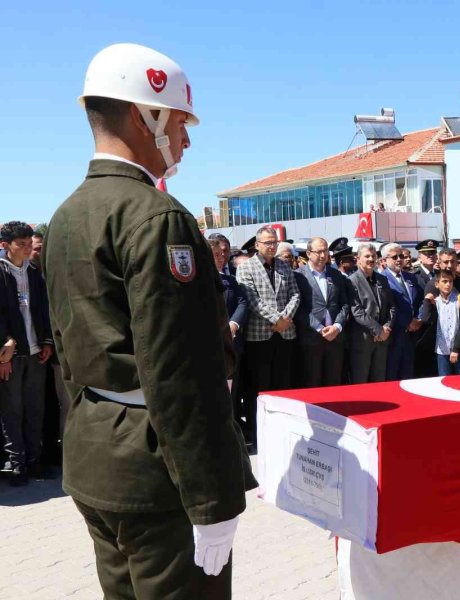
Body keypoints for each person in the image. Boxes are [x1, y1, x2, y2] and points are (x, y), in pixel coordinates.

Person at [43, 43, 255, 598]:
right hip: (161, 476)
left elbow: (69, 354)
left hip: (97, 457)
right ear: (147, 117)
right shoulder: (156, 216)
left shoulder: (66, 215)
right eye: (182, 122)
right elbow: (183, 373)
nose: (187, 138)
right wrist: (211, 499)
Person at [0, 222, 54, 486]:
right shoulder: (1, 273)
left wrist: (46, 341)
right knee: (12, 411)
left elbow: (43, 309)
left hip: (36, 353)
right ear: (4, 246)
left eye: (26, 243)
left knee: (35, 410)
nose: (25, 248)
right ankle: (17, 465)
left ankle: (34, 462)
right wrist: (4, 348)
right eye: (19, 244)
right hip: (10, 356)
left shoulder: (33, 272)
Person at [236, 225, 300, 445]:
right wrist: (276, 319)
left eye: (274, 242)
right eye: (267, 242)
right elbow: (252, 300)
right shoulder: (246, 268)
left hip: (284, 335)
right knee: (259, 388)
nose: (272, 246)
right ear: (257, 245)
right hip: (259, 336)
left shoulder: (284, 265)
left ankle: (281, 431)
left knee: (282, 386)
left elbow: (295, 294)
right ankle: (258, 433)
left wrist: (285, 318)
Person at [294, 237, 350, 389]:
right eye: (318, 251)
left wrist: (337, 326)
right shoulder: (298, 276)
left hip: (335, 339)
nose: (322, 255)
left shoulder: (336, 275)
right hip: (311, 338)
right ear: (308, 253)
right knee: (313, 383)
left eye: (325, 251)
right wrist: (319, 328)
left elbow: (344, 304)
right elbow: (299, 308)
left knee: (334, 383)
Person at [210, 240, 249, 437]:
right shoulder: (200, 279)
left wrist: (234, 324)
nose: (221, 256)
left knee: (233, 391)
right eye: (216, 253)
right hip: (211, 346)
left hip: (232, 345)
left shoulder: (232, 277)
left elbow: (242, 302)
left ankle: (232, 431)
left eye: (224, 252)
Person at [347, 244, 395, 383]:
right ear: (358, 259)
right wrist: (378, 330)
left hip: (382, 341)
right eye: (367, 256)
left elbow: (392, 306)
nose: (371, 259)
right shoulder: (352, 281)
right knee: (360, 383)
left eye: (373, 256)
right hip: (363, 341)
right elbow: (357, 311)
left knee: (379, 382)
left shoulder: (382, 279)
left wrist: (386, 328)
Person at [381, 242, 423, 381]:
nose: (399, 259)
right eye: (394, 257)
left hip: (412, 335)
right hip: (394, 335)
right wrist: (406, 323)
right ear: (384, 260)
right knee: (392, 374)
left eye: (400, 256)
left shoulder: (410, 277)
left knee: (408, 374)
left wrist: (419, 318)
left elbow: (420, 301)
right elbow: (387, 307)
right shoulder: (381, 279)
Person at [421, 269, 460, 375]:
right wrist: (426, 302)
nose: (448, 284)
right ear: (437, 284)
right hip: (441, 349)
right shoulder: (435, 301)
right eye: (444, 281)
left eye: (450, 281)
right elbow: (426, 319)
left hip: (459, 348)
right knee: (444, 379)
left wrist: (456, 349)